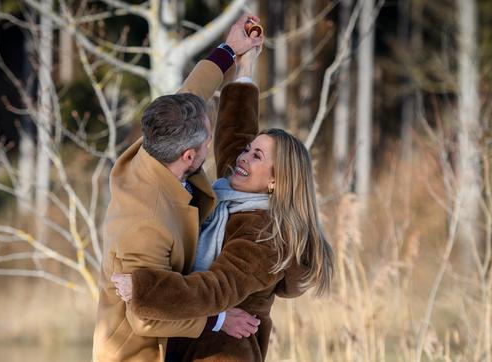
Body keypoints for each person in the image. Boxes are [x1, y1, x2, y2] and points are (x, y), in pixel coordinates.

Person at [112, 44, 335, 362]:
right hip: (196, 340)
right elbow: (236, 133)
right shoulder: (238, 194)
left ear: (276, 181)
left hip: (224, 352)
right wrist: (245, 67)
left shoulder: (265, 236)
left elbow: (216, 288)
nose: (242, 157)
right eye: (247, 149)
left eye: (255, 155)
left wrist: (146, 289)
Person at [92, 15, 265, 362]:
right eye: (207, 139)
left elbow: (191, 95)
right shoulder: (147, 222)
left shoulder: (159, 141)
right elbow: (146, 313)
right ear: (190, 155)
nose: (210, 141)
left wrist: (231, 50)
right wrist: (218, 320)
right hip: (140, 353)